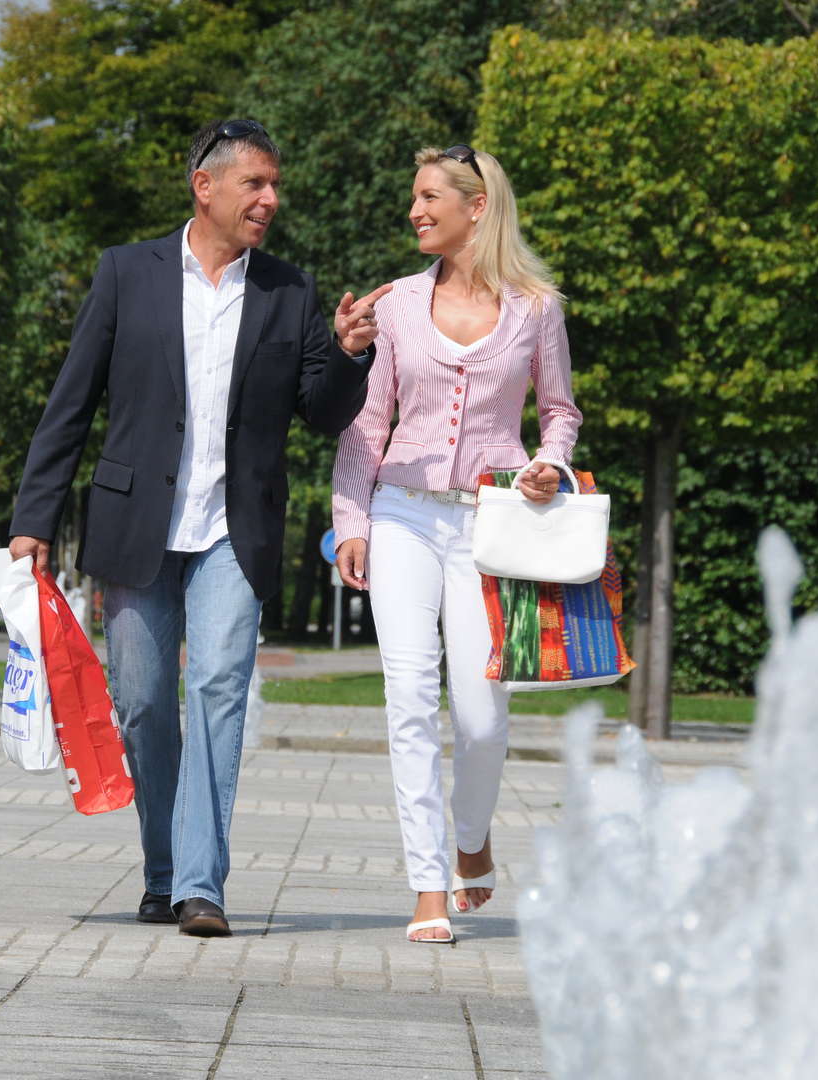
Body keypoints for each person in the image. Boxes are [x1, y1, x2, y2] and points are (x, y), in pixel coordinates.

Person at [10, 119, 390, 937]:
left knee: (217, 688)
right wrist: (31, 519)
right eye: (255, 183)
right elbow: (71, 402)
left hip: (234, 532)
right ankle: (161, 869)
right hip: (136, 523)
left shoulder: (291, 291)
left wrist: (352, 355)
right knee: (145, 704)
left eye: (275, 185)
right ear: (205, 186)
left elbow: (322, 413)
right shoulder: (126, 274)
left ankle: (200, 886)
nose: (270, 199)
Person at [331, 145, 582, 944]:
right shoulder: (397, 304)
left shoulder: (538, 308)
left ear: (478, 207)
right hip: (402, 511)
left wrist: (549, 462)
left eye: (430, 196)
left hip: (492, 524)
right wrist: (351, 521)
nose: (415, 210)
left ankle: (472, 834)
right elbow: (368, 426)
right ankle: (428, 883)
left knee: (479, 716)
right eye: (414, 197)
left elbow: (562, 411)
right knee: (408, 697)